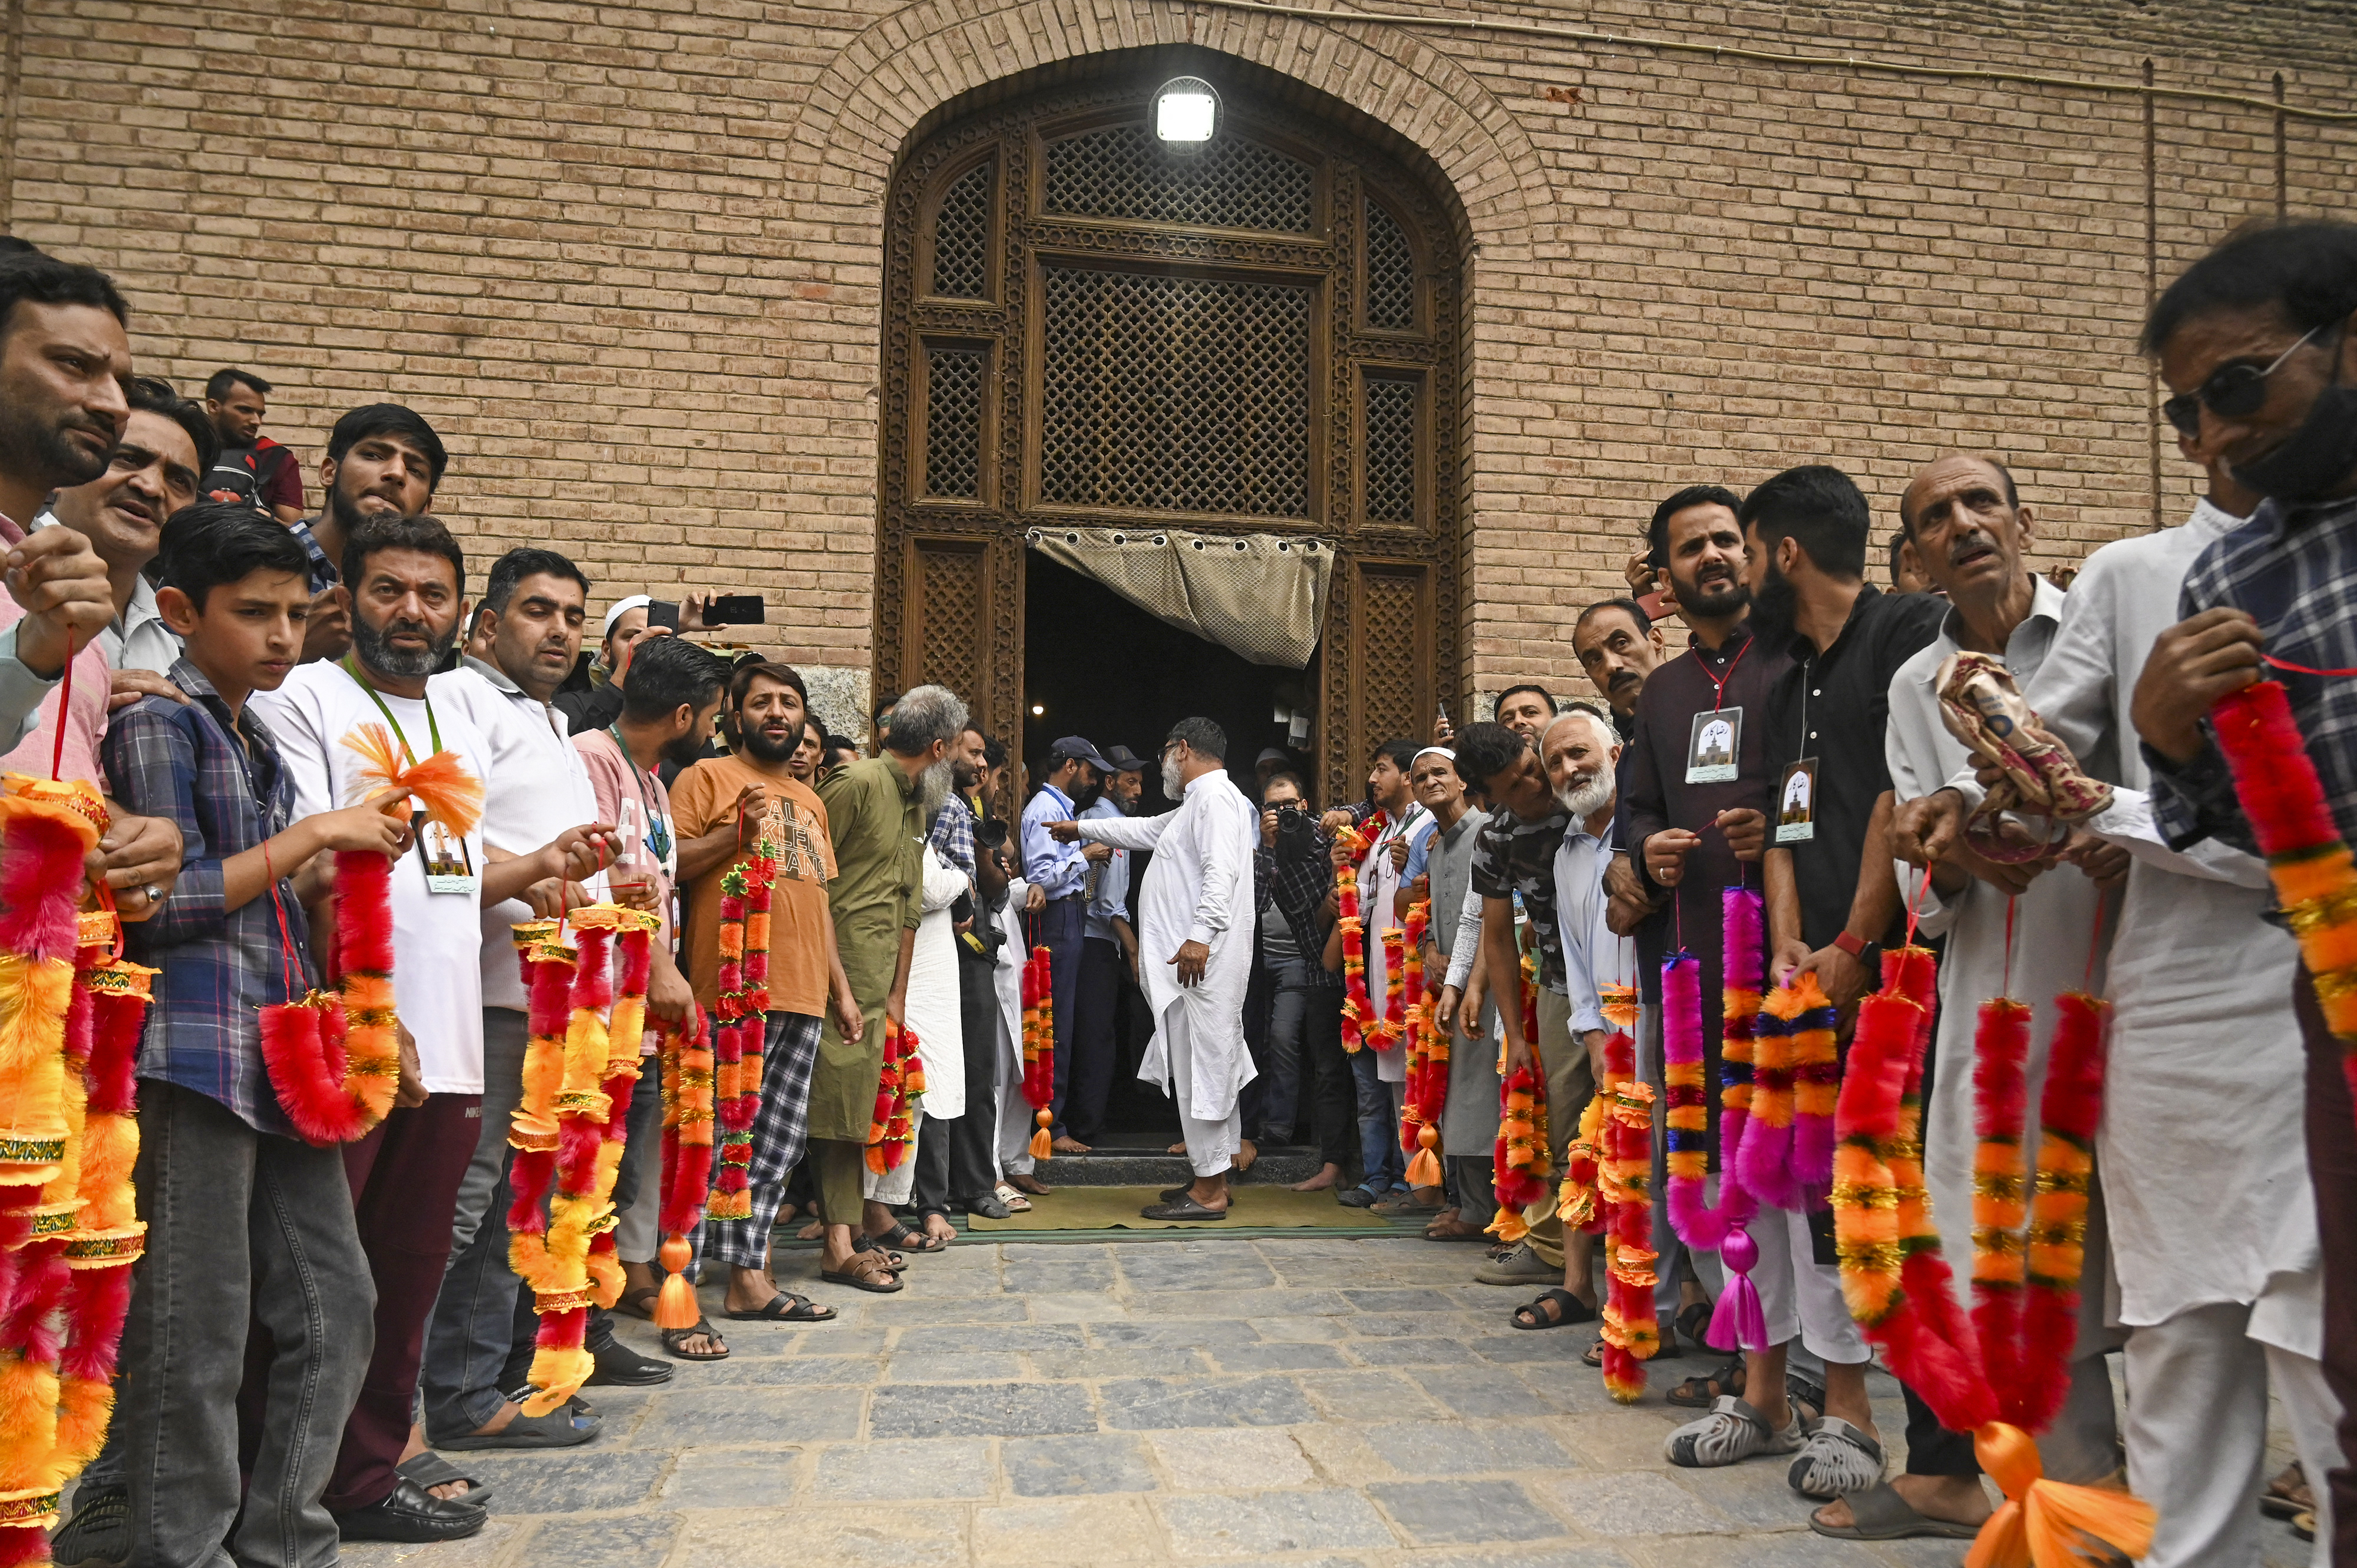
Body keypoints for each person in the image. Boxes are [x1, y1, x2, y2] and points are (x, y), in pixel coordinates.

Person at [252, 512, 610, 1538]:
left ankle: (363, 1479)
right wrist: (369, 1014)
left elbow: (448, 879)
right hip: (356, 1037)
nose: (412, 612)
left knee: (406, 1273)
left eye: (431, 595)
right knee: (322, 1278)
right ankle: (279, 1486)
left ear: (459, 612)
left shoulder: (455, 722)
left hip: (451, 1040)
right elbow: (314, 872)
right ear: (347, 597)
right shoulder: (308, 698)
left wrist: (539, 867)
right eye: (388, 590)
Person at [2100, 220, 2357, 1564]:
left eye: (2237, 389)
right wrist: (2169, 742)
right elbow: (2237, 831)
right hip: (2326, 1000)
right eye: (2182, 410)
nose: (2207, 437)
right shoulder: (2234, 575)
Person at [90, 504, 395, 1566]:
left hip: (276, 1055)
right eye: (252, 613)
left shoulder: (250, 731)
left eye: (295, 614)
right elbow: (159, 907)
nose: (279, 635)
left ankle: (286, 1540)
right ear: (179, 610)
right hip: (190, 1056)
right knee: (195, 1328)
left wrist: (321, 869)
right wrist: (313, 835)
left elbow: (255, 896)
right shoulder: (157, 723)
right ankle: (174, 1547)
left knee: (338, 1303)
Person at [1856, 454, 2125, 1541]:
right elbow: (1925, 885)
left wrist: (2105, 833)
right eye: (1935, 518)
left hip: (2120, 980)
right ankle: (2075, 1512)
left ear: (2025, 519)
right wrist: (1956, 849)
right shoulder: (1912, 687)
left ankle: (2173, 1503)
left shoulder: (2104, 625)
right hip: (1993, 1005)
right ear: (1915, 556)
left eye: (1980, 504)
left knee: (2137, 1260)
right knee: (2011, 1264)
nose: (1963, 525)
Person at [1666, 465, 1946, 1499]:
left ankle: (1858, 1416)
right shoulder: (1787, 686)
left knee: (1855, 1199)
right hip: (1800, 982)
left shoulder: (1907, 632)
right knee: (1773, 1185)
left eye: (1745, 544)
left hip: (1899, 973)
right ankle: (1769, 1394)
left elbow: (1899, 798)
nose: (1734, 565)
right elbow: (1786, 824)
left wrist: (1855, 942)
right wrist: (1789, 948)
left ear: (1783, 554)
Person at [420, 547, 661, 1475]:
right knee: (467, 1208)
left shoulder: (549, 721)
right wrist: (547, 875)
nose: (557, 630)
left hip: (557, 998)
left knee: (518, 1209)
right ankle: (435, 1399)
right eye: (536, 611)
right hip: (488, 996)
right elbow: (450, 846)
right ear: (485, 623)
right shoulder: (461, 703)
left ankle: (480, 1387)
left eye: (571, 613)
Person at [1609, 481, 1779, 1405]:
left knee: (1779, 1142)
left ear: (1753, 553)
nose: (1710, 556)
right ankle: (1737, 1337)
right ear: (1665, 578)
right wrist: (1644, 847)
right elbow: (1636, 806)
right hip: (1689, 956)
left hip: (1786, 952)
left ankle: (1795, 1350)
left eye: (1724, 540)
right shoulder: (1665, 693)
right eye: (1690, 548)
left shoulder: (1794, 663)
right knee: (1708, 1144)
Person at [676, 656, 871, 1305]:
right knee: (721, 1138)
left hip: (804, 993)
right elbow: (671, 866)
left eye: (789, 703)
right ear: (735, 716)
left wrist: (840, 992)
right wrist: (739, 831)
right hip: (733, 988)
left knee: (777, 1146)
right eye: (762, 703)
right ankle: (689, 1277)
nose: (778, 714)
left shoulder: (811, 798)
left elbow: (813, 900)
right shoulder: (707, 777)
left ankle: (746, 1279)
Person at [1052, 718, 1258, 1220]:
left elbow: (1221, 871)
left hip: (1200, 965)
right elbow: (1142, 831)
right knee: (1208, 1064)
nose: (1163, 763)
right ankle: (1212, 1179)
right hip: (1195, 967)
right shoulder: (1198, 803)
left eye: (1166, 752)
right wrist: (1080, 827)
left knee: (1202, 1070)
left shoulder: (1215, 801)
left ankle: (1209, 1191)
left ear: (1182, 749)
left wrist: (1199, 936)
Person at [808, 683, 965, 1287]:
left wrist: (897, 994)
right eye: (953, 748)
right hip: (835, 978)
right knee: (835, 1110)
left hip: (879, 987)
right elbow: (813, 886)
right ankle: (837, 1244)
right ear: (938, 745)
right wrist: (842, 987)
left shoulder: (913, 800)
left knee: (857, 1111)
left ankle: (848, 1237)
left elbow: (905, 907)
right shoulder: (854, 785)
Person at [1451, 721, 1595, 1297]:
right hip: (1559, 986)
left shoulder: (1581, 805)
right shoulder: (1496, 839)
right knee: (1564, 1122)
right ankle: (1554, 1250)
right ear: (1488, 795)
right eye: (1515, 785)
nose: (1535, 785)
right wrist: (1515, 1035)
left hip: (1621, 980)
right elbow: (1498, 938)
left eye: (1533, 769)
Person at [0, 250, 130, 770]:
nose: (117, 405)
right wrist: (29, 657)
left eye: (125, 383)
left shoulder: (72, 602)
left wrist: (125, 827)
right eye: (75, 365)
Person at [34, 375, 214, 682]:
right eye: (129, 459)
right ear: (64, 472)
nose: (151, 487)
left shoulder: (171, 642)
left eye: (179, 481)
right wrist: (89, 700)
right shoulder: (9, 576)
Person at [1400, 745, 1500, 1241]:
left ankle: (1483, 1210)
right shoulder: (1436, 845)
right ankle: (1472, 1205)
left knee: (1478, 1099)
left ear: (1463, 780)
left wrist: (1468, 978)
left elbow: (1488, 915)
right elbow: (1435, 915)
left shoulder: (1486, 831)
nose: (1431, 781)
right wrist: (1429, 947)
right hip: (1448, 987)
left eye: (1441, 772)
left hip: (1485, 986)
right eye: (1421, 777)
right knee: (1456, 1096)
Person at [1329, 739, 1431, 1211]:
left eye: (1382, 769)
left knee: (1415, 1083)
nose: (1372, 779)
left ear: (1408, 777)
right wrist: (1344, 877)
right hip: (1377, 979)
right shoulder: (1377, 830)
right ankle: (1389, 1179)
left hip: (1417, 976)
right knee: (1386, 1086)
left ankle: (1421, 1186)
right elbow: (1365, 907)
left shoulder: (1428, 824)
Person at [926, 724, 1014, 1219]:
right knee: (943, 1072)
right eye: (974, 752)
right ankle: (942, 1190)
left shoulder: (970, 808)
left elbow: (994, 891)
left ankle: (976, 1182)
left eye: (984, 756)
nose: (982, 764)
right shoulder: (935, 803)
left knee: (978, 1071)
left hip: (973, 951)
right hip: (939, 947)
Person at [1252, 769, 1353, 1190]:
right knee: (1328, 1069)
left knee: (1373, 1074)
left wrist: (1345, 812)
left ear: (1305, 805)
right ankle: (1332, 1163)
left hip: (1374, 967)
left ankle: (1379, 1167)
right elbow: (1256, 904)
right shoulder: (1278, 864)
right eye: (1274, 808)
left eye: (1289, 806)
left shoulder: (1330, 831)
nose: (1283, 814)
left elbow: (1371, 809)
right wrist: (1268, 846)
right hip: (1320, 973)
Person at [288, 403, 448, 665]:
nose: (396, 474)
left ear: (426, 509)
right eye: (374, 455)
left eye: (416, 470)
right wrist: (298, 648)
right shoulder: (252, 560)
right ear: (330, 472)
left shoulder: (414, 606)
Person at [1019, 734, 1113, 1151]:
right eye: (1090, 772)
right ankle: (1048, 1125)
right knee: (1053, 1021)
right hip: (1056, 918)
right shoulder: (1044, 808)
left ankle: (1052, 1120)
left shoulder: (1060, 808)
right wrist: (1085, 855)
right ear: (1071, 766)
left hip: (1069, 917)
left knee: (1063, 1021)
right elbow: (1041, 875)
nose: (1092, 782)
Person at [1065, 742, 1147, 1149]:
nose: (1138, 791)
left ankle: (1081, 1120)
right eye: (1130, 782)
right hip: (1097, 943)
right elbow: (1106, 901)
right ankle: (1087, 1127)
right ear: (1110, 782)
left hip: (1084, 939)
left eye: (1140, 783)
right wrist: (1133, 949)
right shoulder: (1108, 826)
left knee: (1085, 1031)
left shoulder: (1086, 819)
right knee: (1096, 1036)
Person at [202, 367, 306, 523]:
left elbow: (293, 529)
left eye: (260, 414)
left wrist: (260, 520)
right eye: (245, 410)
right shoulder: (185, 448)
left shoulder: (276, 457)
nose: (256, 421)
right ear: (214, 407)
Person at [1573, 597, 1668, 740]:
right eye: (1595, 660)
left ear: (1656, 641)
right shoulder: (1629, 755)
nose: (1611, 665)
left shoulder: (1708, 705)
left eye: (1621, 643)